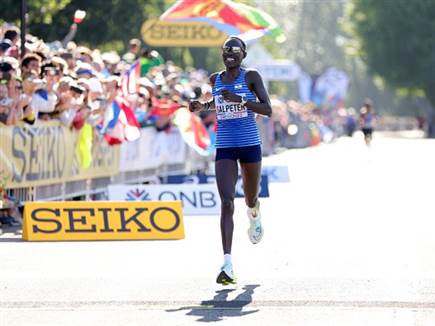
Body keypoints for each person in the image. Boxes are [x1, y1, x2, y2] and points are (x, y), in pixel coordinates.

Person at [189, 36, 272, 285]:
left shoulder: (251, 77)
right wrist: (202, 106)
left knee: (249, 197)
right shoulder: (215, 79)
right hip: (224, 146)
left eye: (235, 50)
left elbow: (267, 109)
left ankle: (254, 213)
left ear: (243, 55)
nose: (230, 54)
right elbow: (219, 103)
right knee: (226, 202)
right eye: (226, 50)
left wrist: (242, 101)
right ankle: (227, 263)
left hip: (249, 145)